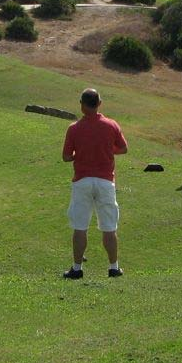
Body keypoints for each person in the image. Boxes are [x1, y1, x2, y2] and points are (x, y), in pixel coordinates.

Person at [61, 88, 128, 279]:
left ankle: (77, 268)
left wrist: (79, 154)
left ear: (81, 105)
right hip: (106, 182)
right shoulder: (111, 125)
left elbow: (66, 157)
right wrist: (106, 150)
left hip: (82, 181)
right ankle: (114, 267)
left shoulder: (74, 128)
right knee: (109, 227)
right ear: (99, 103)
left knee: (80, 226)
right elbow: (123, 149)